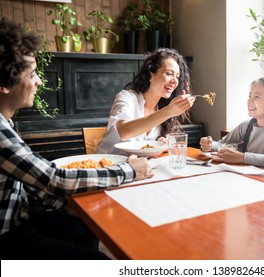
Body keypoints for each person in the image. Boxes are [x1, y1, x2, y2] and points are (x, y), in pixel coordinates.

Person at [0, 17, 153, 260]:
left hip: (23, 215)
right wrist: (129, 170)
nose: (39, 81)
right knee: (102, 261)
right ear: (4, 85)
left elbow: (28, 180)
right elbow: (53, 177)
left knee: (87, 225)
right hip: (8, 235)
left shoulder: (6, 122)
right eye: (32, 74)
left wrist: (64, 205)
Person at [96, 48, 195, 155]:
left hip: (140, 167)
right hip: (110, 166)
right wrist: (169, 111)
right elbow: (123, 132)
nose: (175, 81)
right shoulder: (126, 97)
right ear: (151, 74)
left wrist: (160, 140)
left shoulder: (162, 107)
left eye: (177, 76)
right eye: (169, 73)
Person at [200, 77, 264, 171]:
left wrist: (242, 158)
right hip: (248, 179)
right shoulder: (246, 125)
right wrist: (209, 145)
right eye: (250, 96)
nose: (249, 101)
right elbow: (222, 144)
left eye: (256, 97)